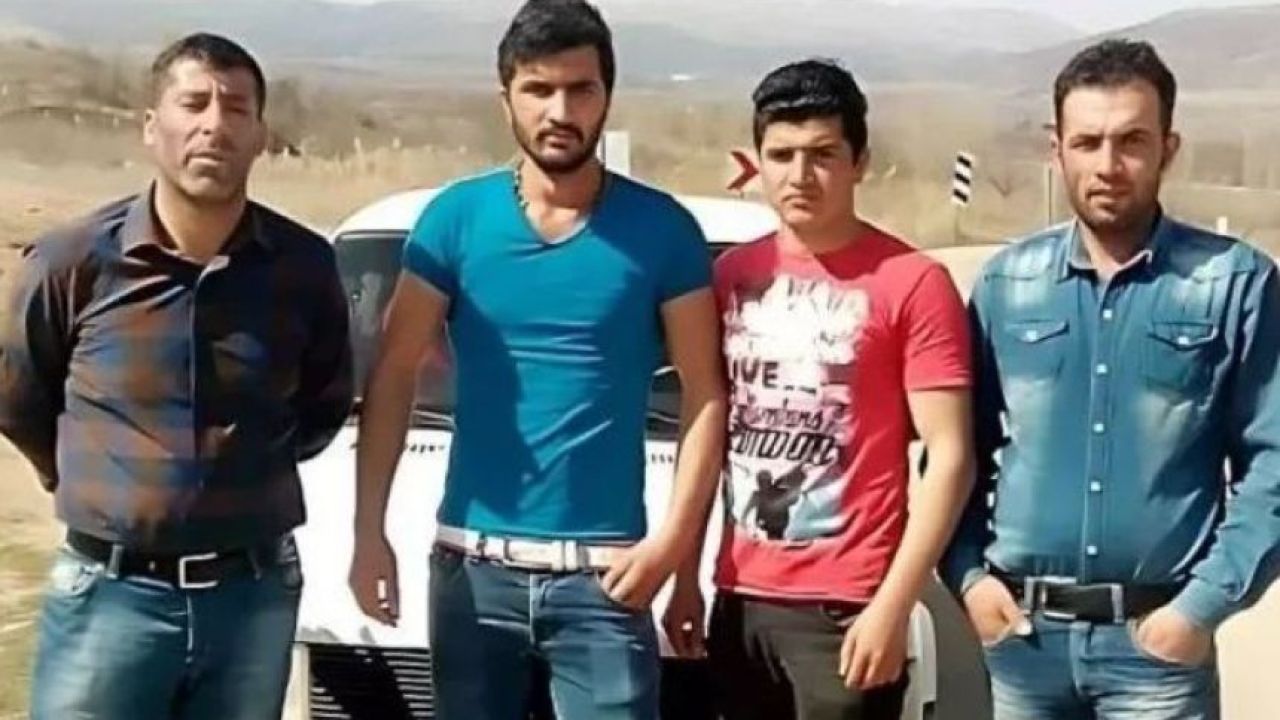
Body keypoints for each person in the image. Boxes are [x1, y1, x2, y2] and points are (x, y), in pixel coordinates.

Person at [346, 1, 726, 718]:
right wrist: (370, 534)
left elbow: (706, 393)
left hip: (607, 582)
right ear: (507, 99)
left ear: (606, 96)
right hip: (470, 572)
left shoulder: (664, 231)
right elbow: (393, 375)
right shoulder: (454, 220)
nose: (560, 110)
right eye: (538, 89)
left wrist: (674, 547)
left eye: (580, 89)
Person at [0, 32, 354, 720]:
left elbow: (323, 405)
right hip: (109, 596)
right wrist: (78, 478)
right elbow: (17, 399)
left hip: (251, 599)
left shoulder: (304, 267)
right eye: (193, 103)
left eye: (236, 108)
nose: (214, 125)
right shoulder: (73, 261)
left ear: (261, 136)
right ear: (150, 127)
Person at [942, 38, 1280, 720]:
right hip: (1023, 645)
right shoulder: (1008, 284)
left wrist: (1201, 607)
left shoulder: (1235, 283)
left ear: (1168, 148)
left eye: (1131, 141)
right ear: (1056, 149)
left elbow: (1272, 460)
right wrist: (970, 578)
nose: (1108, 164)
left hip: (1158, 650)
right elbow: (955, 451)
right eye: (1087, 142)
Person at [665, 59, 975, 720]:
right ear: (756, 163)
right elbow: (708, 429)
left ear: (860, 162)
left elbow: (950, 456)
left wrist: (894, 604)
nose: (800, 175)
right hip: (739, 599)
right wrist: (687, 576)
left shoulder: (913, 283)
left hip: (848, 607)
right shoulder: (730, 275)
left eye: (823, 154)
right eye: (781, 155)